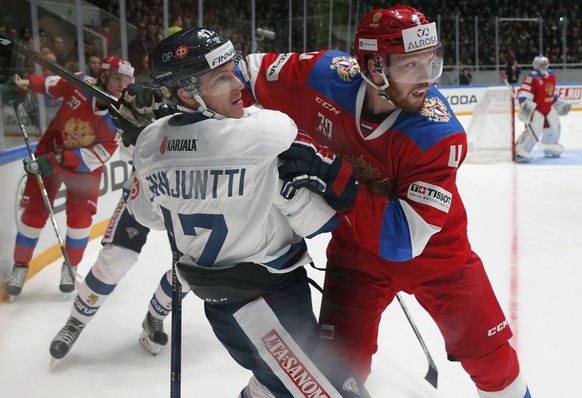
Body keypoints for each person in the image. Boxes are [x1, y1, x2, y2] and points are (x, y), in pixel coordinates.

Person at [111, 6, 533, 397]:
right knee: (329, 375)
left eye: (430, 62)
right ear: (372, 67)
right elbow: (241, 72)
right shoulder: (324, 74)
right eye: (410, 65)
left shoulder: (437, 134)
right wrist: (170, 97)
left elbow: (404, 241)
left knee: (495, 365)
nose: (427, 78)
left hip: (439, 261)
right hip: (355, 259)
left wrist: (335, 174)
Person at [125, 27, 368, 397]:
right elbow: (323, 221)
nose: (238, 84)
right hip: (262, 305)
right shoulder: (263, 134)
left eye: (233, 69)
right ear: (186, 93)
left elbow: (150, 216)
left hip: (228, 305)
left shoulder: (148, 144)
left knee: (274, 383)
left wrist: (152, 148)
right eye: (221, 78)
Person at [1, 56, 134, 297]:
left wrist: (53, 161)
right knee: (33, 216)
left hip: (84, 169)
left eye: (127, 80)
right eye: (118, 78)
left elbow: (98, 155)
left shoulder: (122, 116)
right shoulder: (80, 84)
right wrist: (20, 84)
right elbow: (49, 83)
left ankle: (70, 268)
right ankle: (20, 267)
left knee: (81, 221)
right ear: (103, 77)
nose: (123, 85)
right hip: (48, 152)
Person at [514, 55, 570, 162]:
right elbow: (524, 94)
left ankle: (550, 145)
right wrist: (525, 107)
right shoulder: (532, 78)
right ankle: (520, 149)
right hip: (537, 110)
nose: (543, 66)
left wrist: (559, 104)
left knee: (555, 127)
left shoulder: (552, 75)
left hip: (548, 109)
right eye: (541, 64)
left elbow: (552, 93)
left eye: (545, 64)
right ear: (536, 65)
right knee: (534, 131)